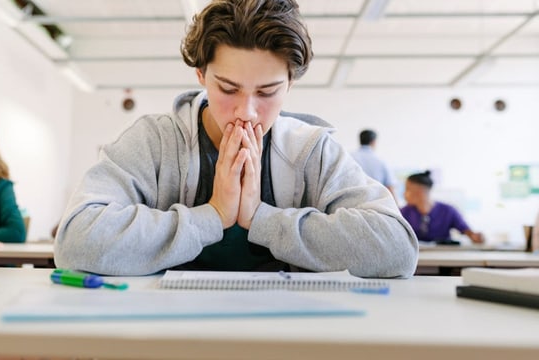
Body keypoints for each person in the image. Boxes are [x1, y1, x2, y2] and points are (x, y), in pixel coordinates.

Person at [54, 0, 418, 278]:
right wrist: (212, 216)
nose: (247, 111)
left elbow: (397, 249)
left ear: (290, 82)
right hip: (169, 333)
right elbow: (75, 243)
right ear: (200, 75)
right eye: (228, 88)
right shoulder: (155, 141)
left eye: (268, 91)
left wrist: (261, 217)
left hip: (287, 334)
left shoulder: (312, 150)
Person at [400, 170, 483, 244]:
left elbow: (467, 231)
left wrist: (475, 236)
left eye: (407, 189)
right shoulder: (403, 212)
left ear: (420, 191)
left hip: (444, 256)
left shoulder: (448, 211)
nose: (404, 194)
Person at [350, 129, 397, 197]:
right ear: (373, 141)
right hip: (375, 201)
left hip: (352, 199)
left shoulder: (349, 157)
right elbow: (390, 186)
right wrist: (396, 206)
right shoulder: (380, 160)